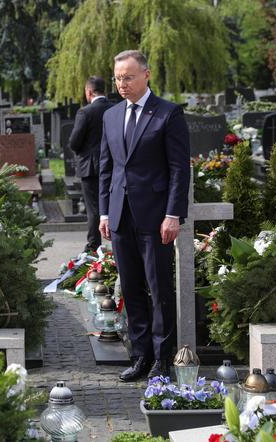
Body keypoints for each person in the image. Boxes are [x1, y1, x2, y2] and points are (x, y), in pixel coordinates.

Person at [98, 50, 190, 381]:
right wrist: (104, 212)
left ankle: (163, 361)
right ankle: (140, 356)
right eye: (117, 78)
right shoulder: (110, 116)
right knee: (132, 289)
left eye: (128, 77)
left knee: (159, 291)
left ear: (146, 75)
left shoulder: (168, 114)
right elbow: (106, 168)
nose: (122, 84)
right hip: (120, 217)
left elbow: (179, 169)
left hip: (156, 219)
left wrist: (173, 214)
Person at [68, 76, 112, 253]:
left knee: (94, 207)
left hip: (91, 168)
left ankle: (94, 245)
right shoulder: (116, 108)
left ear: (89, 92)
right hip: (114, 165)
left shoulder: (85, 112)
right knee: (112, 204)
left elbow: (74, 142)